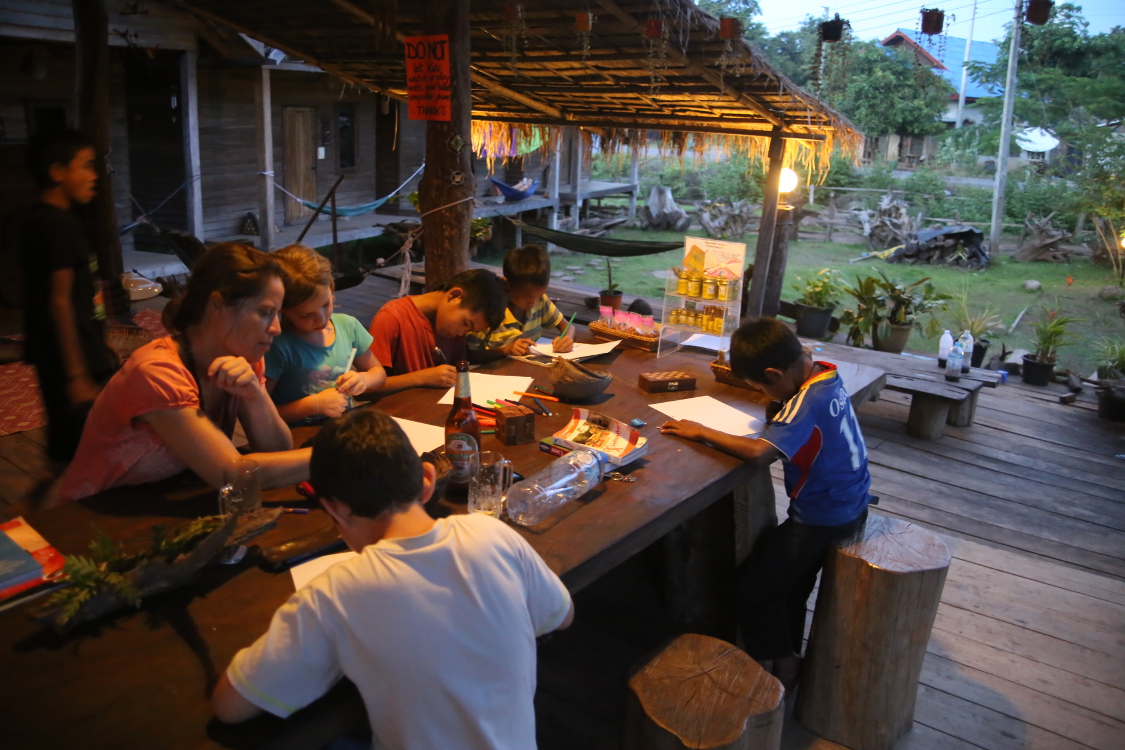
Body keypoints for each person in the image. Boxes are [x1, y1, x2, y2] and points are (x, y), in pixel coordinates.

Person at [212, 408, 574, 749]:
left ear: (334, 509)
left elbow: (230, 706)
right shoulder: (493, 534)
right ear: (427, 480)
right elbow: (562, 615)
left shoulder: (334, 594)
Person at [659, 318, 871, 690]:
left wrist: (701, 430)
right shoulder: (824, 374)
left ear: (775, 373)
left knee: (754, 590)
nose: (762, 394)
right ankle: (790, 649)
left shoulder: (805, 404)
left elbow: (760, 454)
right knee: (790, 586)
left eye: (761, 387)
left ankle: (785, 665)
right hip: (851, 500)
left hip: (822, 516)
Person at [56, 242, 310, 503]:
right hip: (87, 513)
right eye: (266, 312)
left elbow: (278, 450)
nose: (277, 328)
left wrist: (255, 395)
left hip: (159, 501)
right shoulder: (157, 372)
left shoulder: (243, 356)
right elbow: (231, 476)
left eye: (278, 314)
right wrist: (328, 455)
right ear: (217, 304)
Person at [20, 128, 118, 467]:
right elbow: (59, 302)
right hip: (72, 359)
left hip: (68, 351)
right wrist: (77, 375)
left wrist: (100, 341)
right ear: (58, 172)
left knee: (70, 447)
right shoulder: (56, 226)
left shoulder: (42, 220)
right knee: (87, 449)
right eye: (86, 166)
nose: (94, 176)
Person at [265, 245, 386, 425]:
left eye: (325, 304)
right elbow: (262, 414)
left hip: (343, 426)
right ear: (282, 310)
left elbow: (379, 374)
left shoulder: (348, 326)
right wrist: (315, 405)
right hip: (298, 435)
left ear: (331, 287)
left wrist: (364, 379)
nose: (321, 318)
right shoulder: (277, 346)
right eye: (306, 315)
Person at [367, 268, 506, 393]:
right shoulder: (392, 317)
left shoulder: (453, 327)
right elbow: (366, 389)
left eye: (470, 330)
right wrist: (421, 378)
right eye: (465, 323)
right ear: (454, 296)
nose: (462, 333)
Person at [467, 244, 573, 362]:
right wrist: (505, 350)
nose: (533, 302)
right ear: (507, 285)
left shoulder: (541, 300)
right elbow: (469, 355)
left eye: (539, 295)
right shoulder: (489, 311)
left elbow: (568, 326)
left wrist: (567, 338)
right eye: (527, 297)